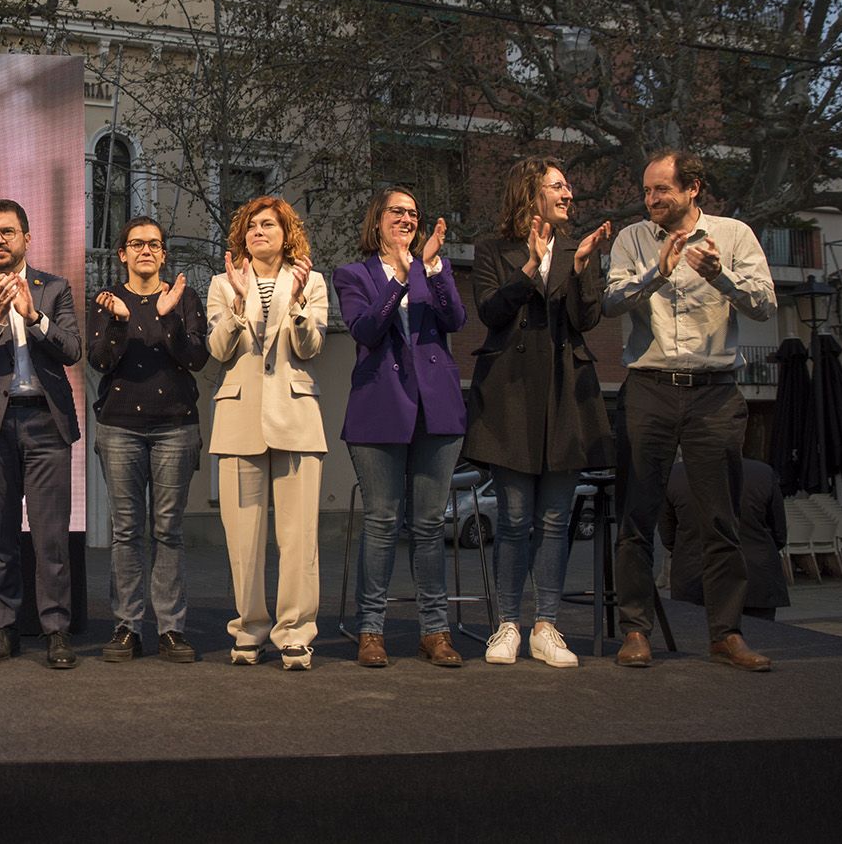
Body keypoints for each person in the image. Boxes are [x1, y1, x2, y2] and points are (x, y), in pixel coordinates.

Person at [603, 148, 776, 671]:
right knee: (637, 515)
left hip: (715, 391)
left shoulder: (735, 234)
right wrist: (657, 273)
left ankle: (726, 633)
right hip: (648, 387)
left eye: (661, 189)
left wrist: (722, 276)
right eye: (647, 190)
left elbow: (766, 304)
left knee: (719, 518)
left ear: (692, 189)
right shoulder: (632, 239)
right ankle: (636, 630)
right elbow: (610, 303)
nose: (651, 199)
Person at [462, 158, 614, 669]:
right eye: (558, 186)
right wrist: (529, 266)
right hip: (510, 397)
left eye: (569, 185)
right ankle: (508, 625)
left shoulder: (578, 250)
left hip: (566, 396)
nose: (569, 193)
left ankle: (546, 626)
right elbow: (490, 312)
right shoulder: (493, 249)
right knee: (512, 518)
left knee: (555, 518)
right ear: (532, 194)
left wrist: (578, 268)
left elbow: (587, 318)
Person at [333, 187, 467, 668]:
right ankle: (371, 629)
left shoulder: (434, 268)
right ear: (378, 219)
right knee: (383, 521)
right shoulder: (353, 274)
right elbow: (366, 329)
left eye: (413, 212)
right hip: (379, 409)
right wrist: (406, 276)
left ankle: (435, 631)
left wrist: (431, 270)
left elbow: (456, 318)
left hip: (437, 409)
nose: (407, 219)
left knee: (430, 524)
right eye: (398, 211)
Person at [0, 199, 83, 668]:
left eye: (8, 232)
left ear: (27, 238)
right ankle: (5, 627)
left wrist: (31, 315)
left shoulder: (54, 288)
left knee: (50, 538)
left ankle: (56, 631)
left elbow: (71, 349)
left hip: (46, 423)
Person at [207, 195, 328, 670]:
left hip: (296, 418)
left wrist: (298, 303)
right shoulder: (222, 283)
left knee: (300, 538)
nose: (259, 232)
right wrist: (238, 301)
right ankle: (250, 630)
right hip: (238, 419)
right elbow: (218, 351)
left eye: (269, 225)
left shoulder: (312, 281)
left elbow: (312, 346)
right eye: (252, 226)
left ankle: (296, 633)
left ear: (286, 234)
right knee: (243, 539)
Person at [88, 216, 209, 663]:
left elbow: (197, 357)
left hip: (175, 426)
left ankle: (172, 630)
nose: (145, 251)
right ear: (122, 254)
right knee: (126, 532)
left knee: (168, 531)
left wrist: (168, 318)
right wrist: (121, 322)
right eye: (136, 244)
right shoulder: (106, 300)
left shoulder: (184, 298)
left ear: (163, 253)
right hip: (120, 427)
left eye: (154, 245)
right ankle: (126, 627)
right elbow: (99, 360)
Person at [661, 459, 789, 621]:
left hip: (695, 575)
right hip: (755, 574)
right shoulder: (762, 472)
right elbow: (779, 532)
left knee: (696, 638)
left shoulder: (675, 475)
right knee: (759, 639)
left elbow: (667, 534)